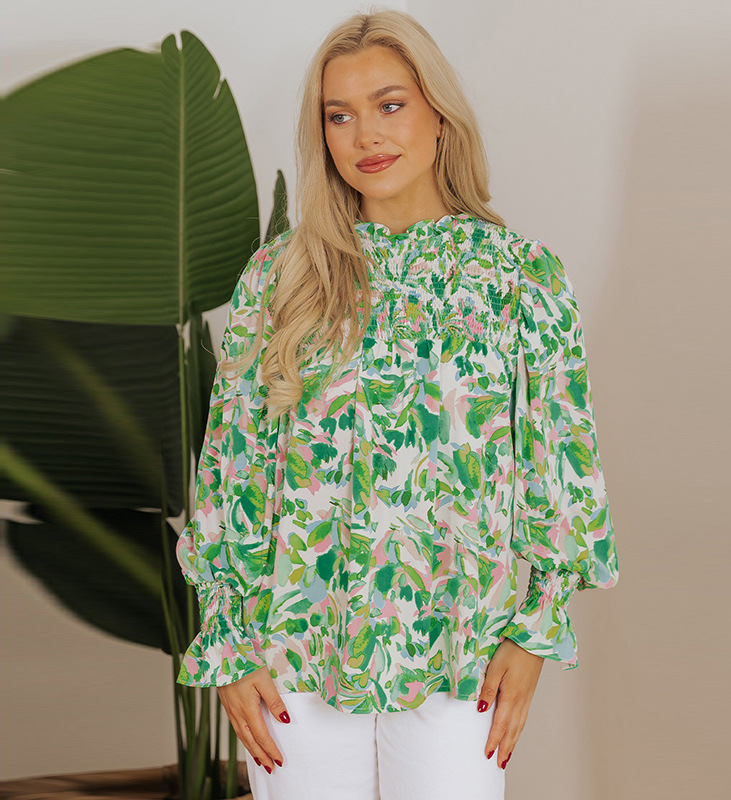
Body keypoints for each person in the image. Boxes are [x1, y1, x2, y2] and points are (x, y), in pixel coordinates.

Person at [174, 9, 619, 800]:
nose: (365, 136)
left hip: (460, 655)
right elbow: (231, 470)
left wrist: (535, 632)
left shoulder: (520, 278)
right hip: (294, 653)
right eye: (338, 116)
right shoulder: (281, 276)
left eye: (389, 104)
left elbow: (563, 466)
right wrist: (230, 642)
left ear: (439, 115)